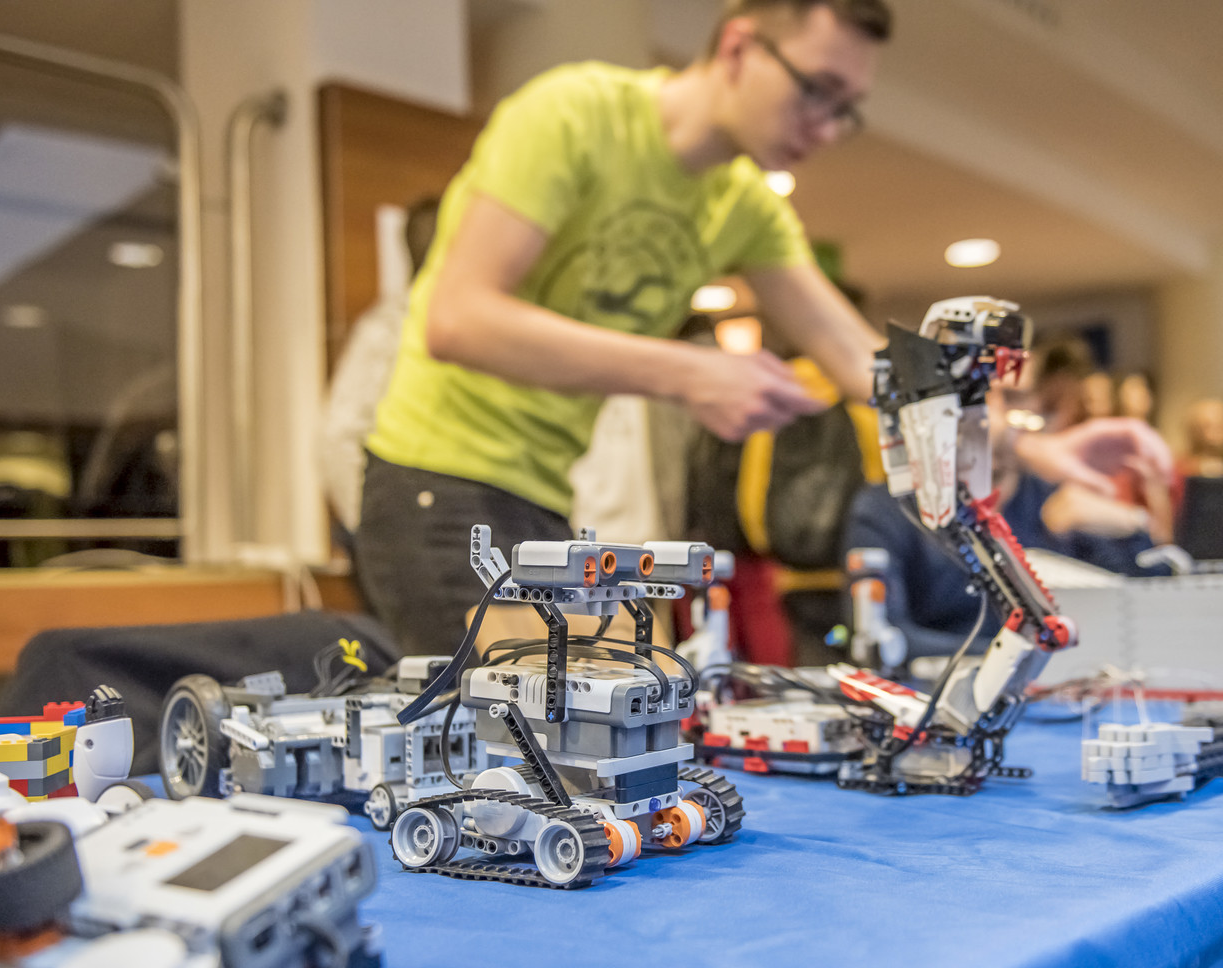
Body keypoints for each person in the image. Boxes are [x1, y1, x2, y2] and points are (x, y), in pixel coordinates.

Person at [356, 0, 1174, 654]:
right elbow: (459, 320)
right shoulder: (574, 115)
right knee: (546, 749)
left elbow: (866, 364)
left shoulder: (743, 205)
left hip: (539, 498)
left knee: (616, 732)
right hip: (433, 481)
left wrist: (1032, 448)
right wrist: (687, 372)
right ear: (739, 46)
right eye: (816, 89)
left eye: (846, 109)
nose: (825, 125)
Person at [843, 356, 1169, 662]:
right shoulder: (890, 508)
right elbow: (879, 638)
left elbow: (1153, 610)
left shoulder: (1058, 503)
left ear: (1037, 405)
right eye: (973, 397)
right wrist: (1029, 656)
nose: (992, 418)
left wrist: (1132, 524)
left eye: (1013, 397)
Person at [320, 195, 441, 536]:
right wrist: (377, 530)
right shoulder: (390, 329)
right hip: (411, 527)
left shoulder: (479, 329)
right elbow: (338, 437)